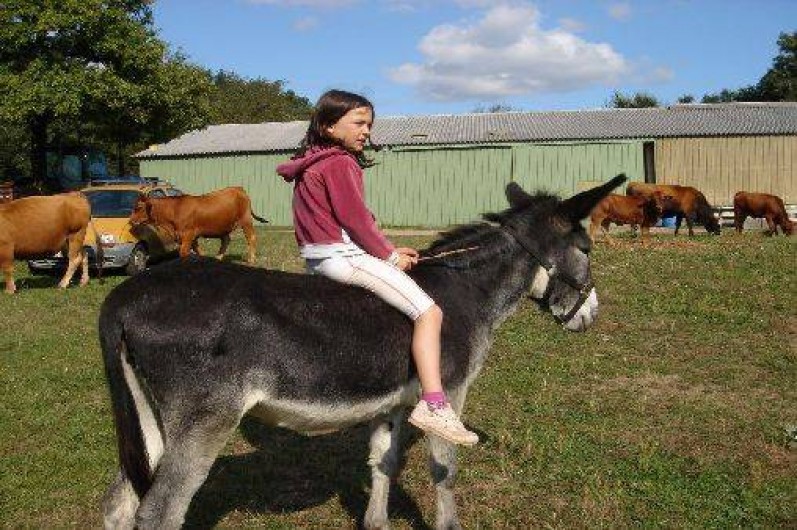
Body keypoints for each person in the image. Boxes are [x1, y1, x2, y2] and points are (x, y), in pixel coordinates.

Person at [277, 89, 478, 446]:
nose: (366, 130)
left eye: (369, 123)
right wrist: (388, 256)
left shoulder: (313, 162)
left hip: (320, 260)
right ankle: (434, 405)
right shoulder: (341, 163)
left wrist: (387, 249)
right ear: (327, 126)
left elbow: (336, 223)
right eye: (358, 122)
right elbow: (356, 221)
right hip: (343, 259)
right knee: (429, 312)